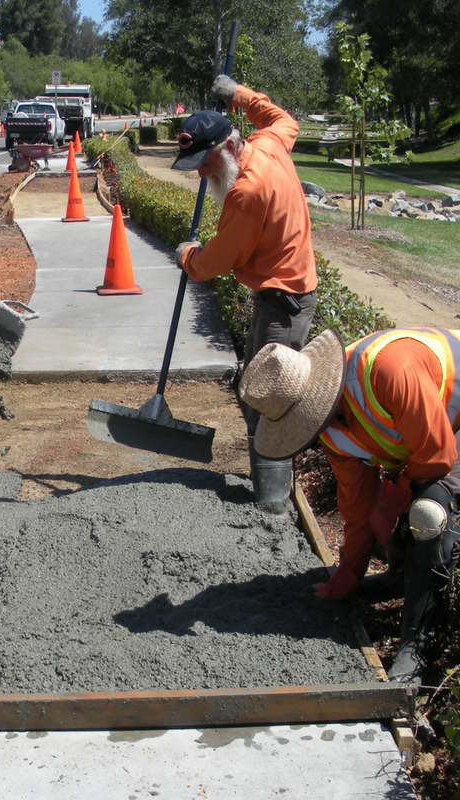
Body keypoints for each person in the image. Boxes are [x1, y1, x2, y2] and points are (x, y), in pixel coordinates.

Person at [238, 326, 460, 683]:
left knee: (428, 514)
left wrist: (396, 493)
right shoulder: (331, 427)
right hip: (434, 438)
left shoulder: (389, 370)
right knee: (383, 509)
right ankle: (398, 578)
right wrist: (348, 573)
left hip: (450, 436)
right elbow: (357, 506)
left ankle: (417, 649)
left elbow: (437, 457)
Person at [172, 75, 318, 513]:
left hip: (283, 303)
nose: (200, 173)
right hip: (286, 294)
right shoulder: (269, 144)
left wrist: (188, 256)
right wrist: (240, 95)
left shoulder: (247, 193)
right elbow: (283, 119)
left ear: (231, 148)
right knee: (259, 391)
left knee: (266, 401)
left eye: (206, 162)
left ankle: (272, 504)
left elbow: (217, 261)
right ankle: (270, 488)